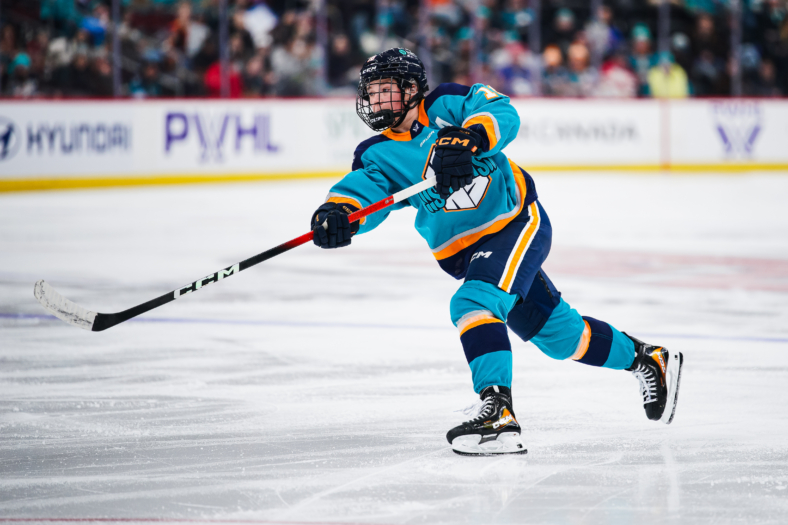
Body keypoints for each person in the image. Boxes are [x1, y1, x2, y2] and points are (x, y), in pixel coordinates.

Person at [310, 48, 684, 456]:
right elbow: (363, 192)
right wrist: (339, 213)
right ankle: (648, 360)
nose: (376, 100)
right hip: (469, 255)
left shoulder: (448, 104)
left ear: (413, 88)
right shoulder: (376, 154)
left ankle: (498, 411)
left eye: (385, 90)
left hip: (515, 222)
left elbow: (500, 111)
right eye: (371, 92)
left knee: (472, 303)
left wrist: (471, 136)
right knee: (562, 337)